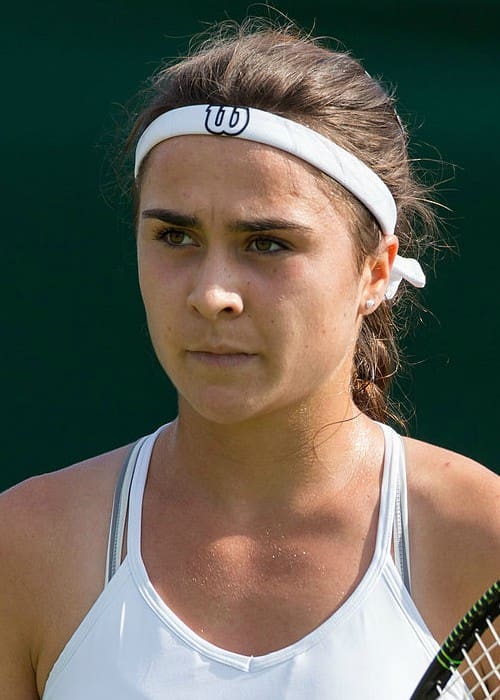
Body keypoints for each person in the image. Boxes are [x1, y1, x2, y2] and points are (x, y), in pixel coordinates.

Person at [1, 17, 498, 700]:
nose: (211, 294)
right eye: (175, 236)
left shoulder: (483, 539)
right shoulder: (23, 546)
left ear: (377, 270)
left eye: (267, 242)